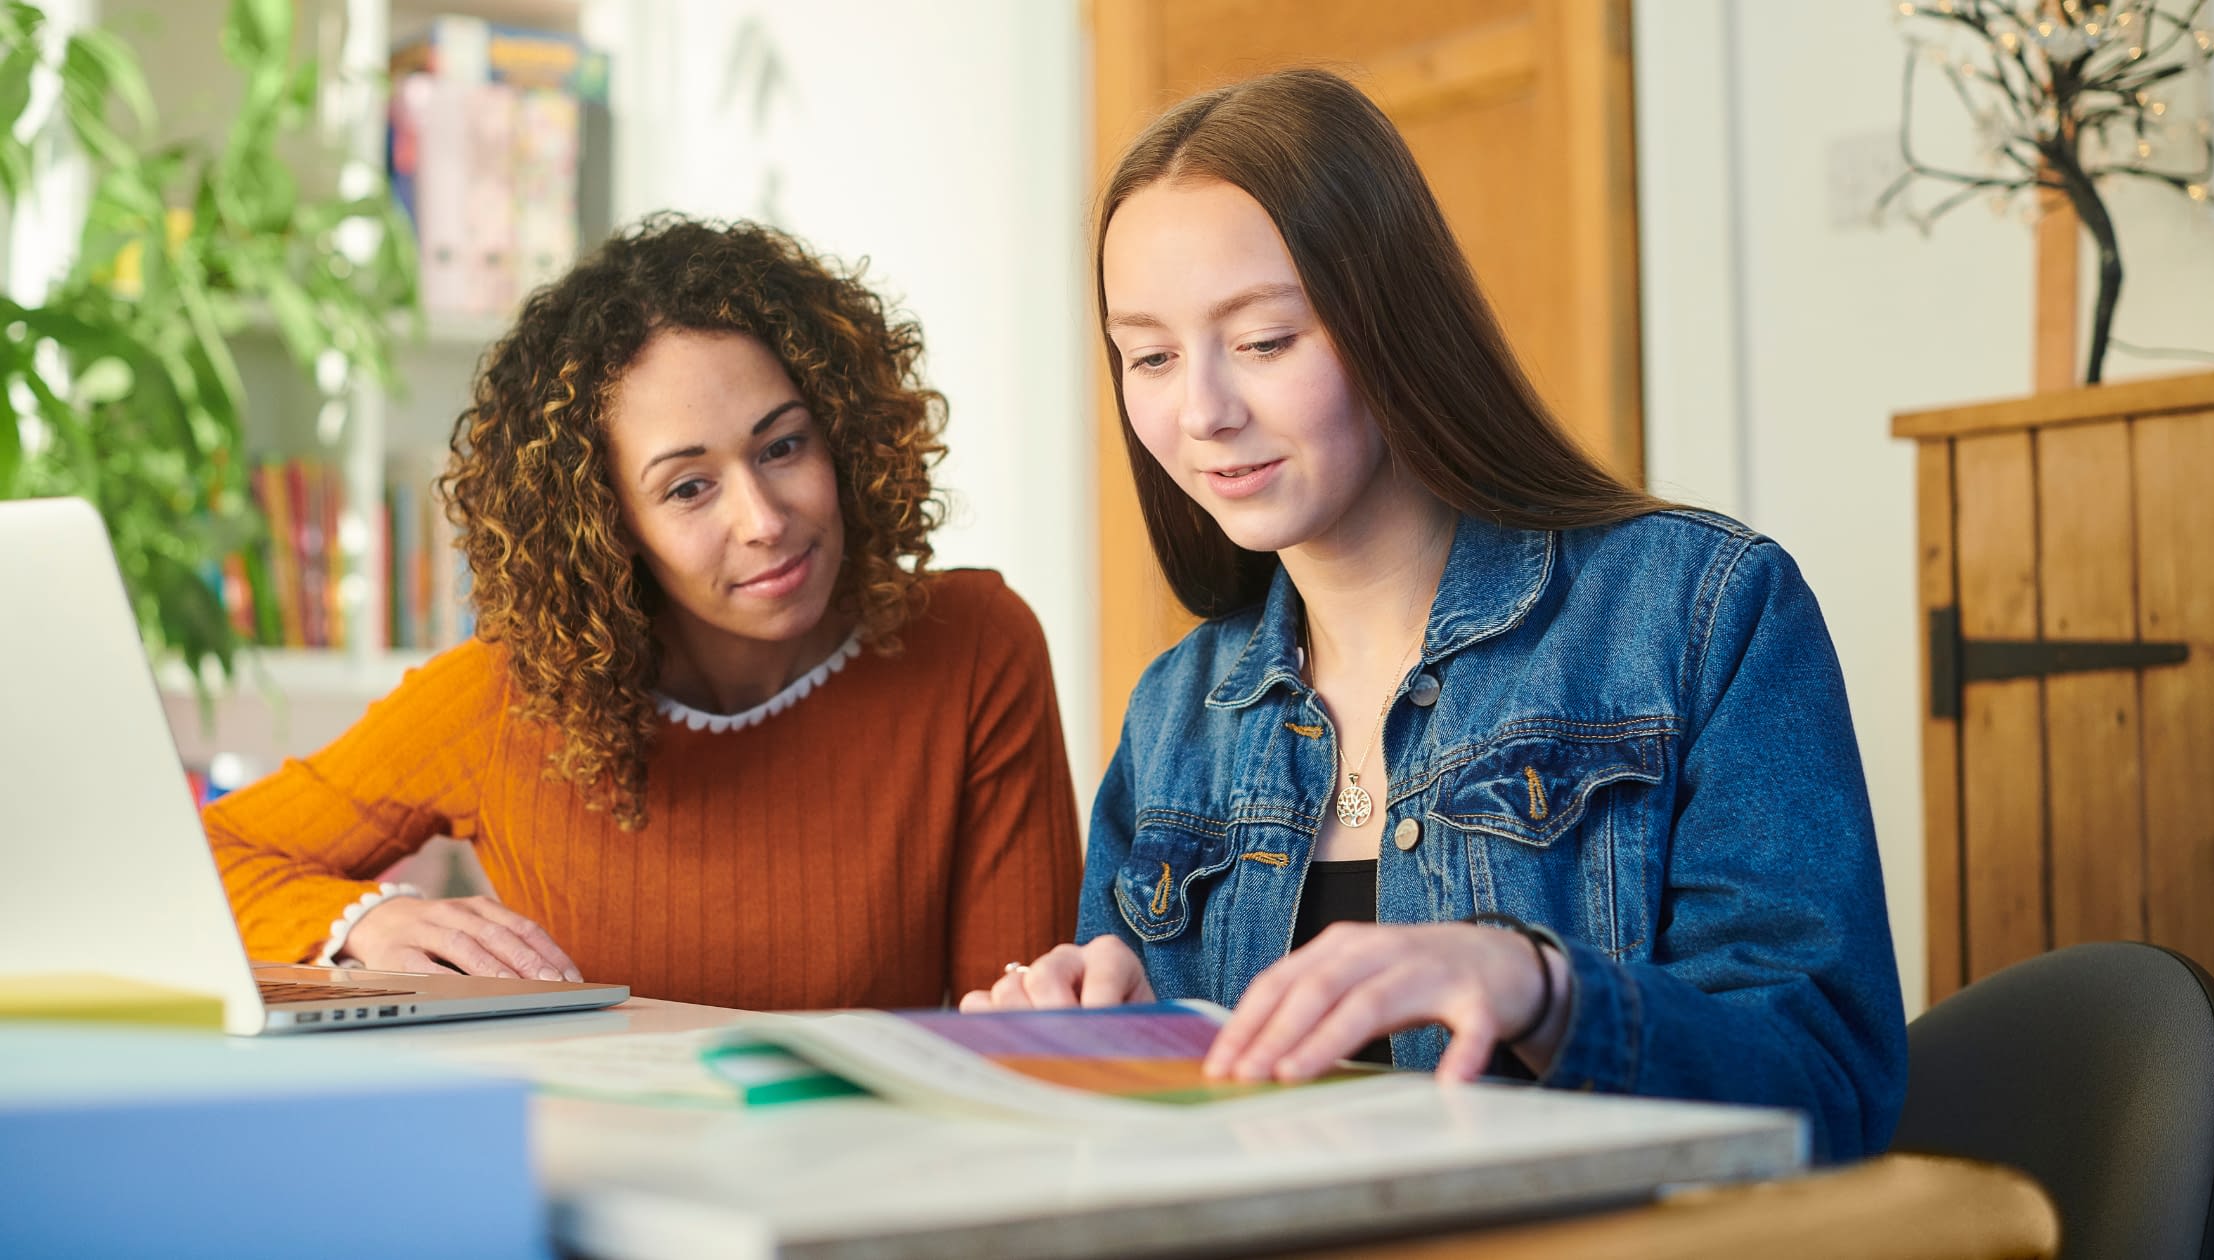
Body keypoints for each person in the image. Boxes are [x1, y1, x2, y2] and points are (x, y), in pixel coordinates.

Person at [961, 69, 1904, 1162]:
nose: (1202, 412)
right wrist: (1099, 1040)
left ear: (1392, 324)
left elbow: (1828, 1096)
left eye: (1263, 341)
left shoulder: (1698, 614)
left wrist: (1539, 991)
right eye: (1151, 357)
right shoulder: (1177, 714)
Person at [205, 215, 1082, 1011]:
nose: (764, 520)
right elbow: (207, 856)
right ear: (606, 522)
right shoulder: (502, 699)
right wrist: (367, 922)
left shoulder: (973, 646)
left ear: (842, 434)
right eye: (689, 487)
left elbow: (1020, 1028)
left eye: (783, 446)